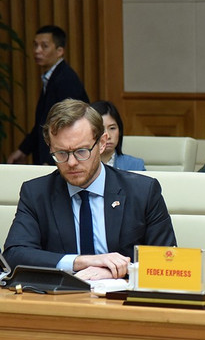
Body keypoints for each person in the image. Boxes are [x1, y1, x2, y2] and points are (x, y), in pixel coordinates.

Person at [3, 99, 176, 280]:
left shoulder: (143, 192)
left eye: (81, 151)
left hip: (123, 301)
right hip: (61, 301)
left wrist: (119, 270)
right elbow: (15, 255)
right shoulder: (36, 193)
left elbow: (167, 261)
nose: (71, 163)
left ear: (102, 143)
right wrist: (80, 262)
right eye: (61, 153)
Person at [7, 25, 89, 165]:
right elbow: (43, 122)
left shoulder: (65, 79)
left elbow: (68, 124)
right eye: (35, 45)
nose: (37, 51)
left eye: (44, 46)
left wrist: (51, 161)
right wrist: (23, 150)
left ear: (60, 51)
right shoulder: (52, 77)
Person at [92, 100, 146, 171]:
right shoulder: (81, 165)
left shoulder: (135, 165)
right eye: (101, 129)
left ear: (120, 130)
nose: (108, 136)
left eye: (112, 128)